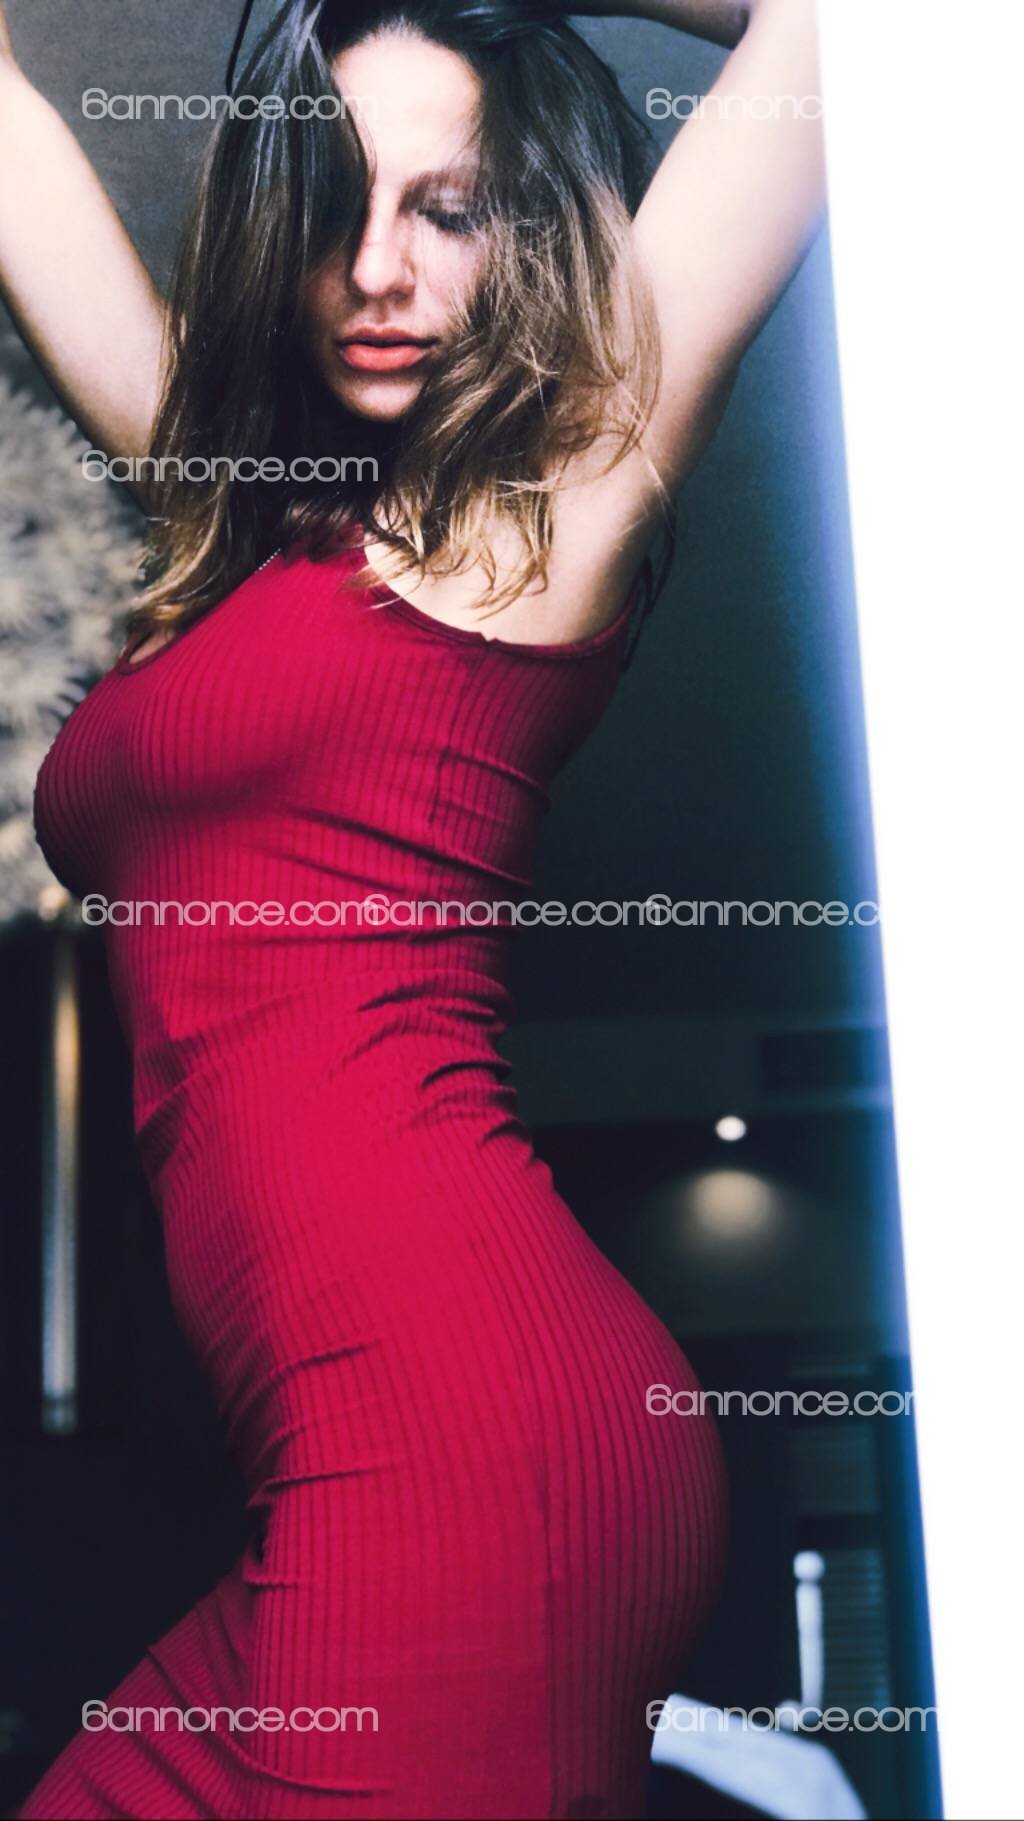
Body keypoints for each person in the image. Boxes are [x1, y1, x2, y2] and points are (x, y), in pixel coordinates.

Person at [1, 1, 825, 1815]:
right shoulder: (245, 518)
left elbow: (858, 27)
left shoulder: (537, 517)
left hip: (465, 1432)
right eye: (333, 204)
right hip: (334, 1450)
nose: (376, 269)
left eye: (448, 210)